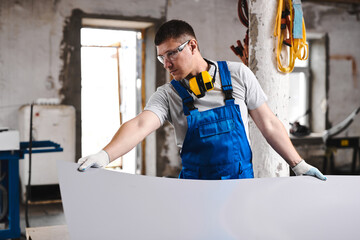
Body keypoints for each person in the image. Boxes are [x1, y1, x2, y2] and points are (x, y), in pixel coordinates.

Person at [78, 19, 326, 181]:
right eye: (161, 57)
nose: (166, 64)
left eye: (171, 54)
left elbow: (269, 123)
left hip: (240, 186)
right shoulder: (168, 94)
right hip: (194, 189)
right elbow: (140, 125)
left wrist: (298, 164)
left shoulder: (238, 75)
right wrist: (104, 155)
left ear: (192, 46)